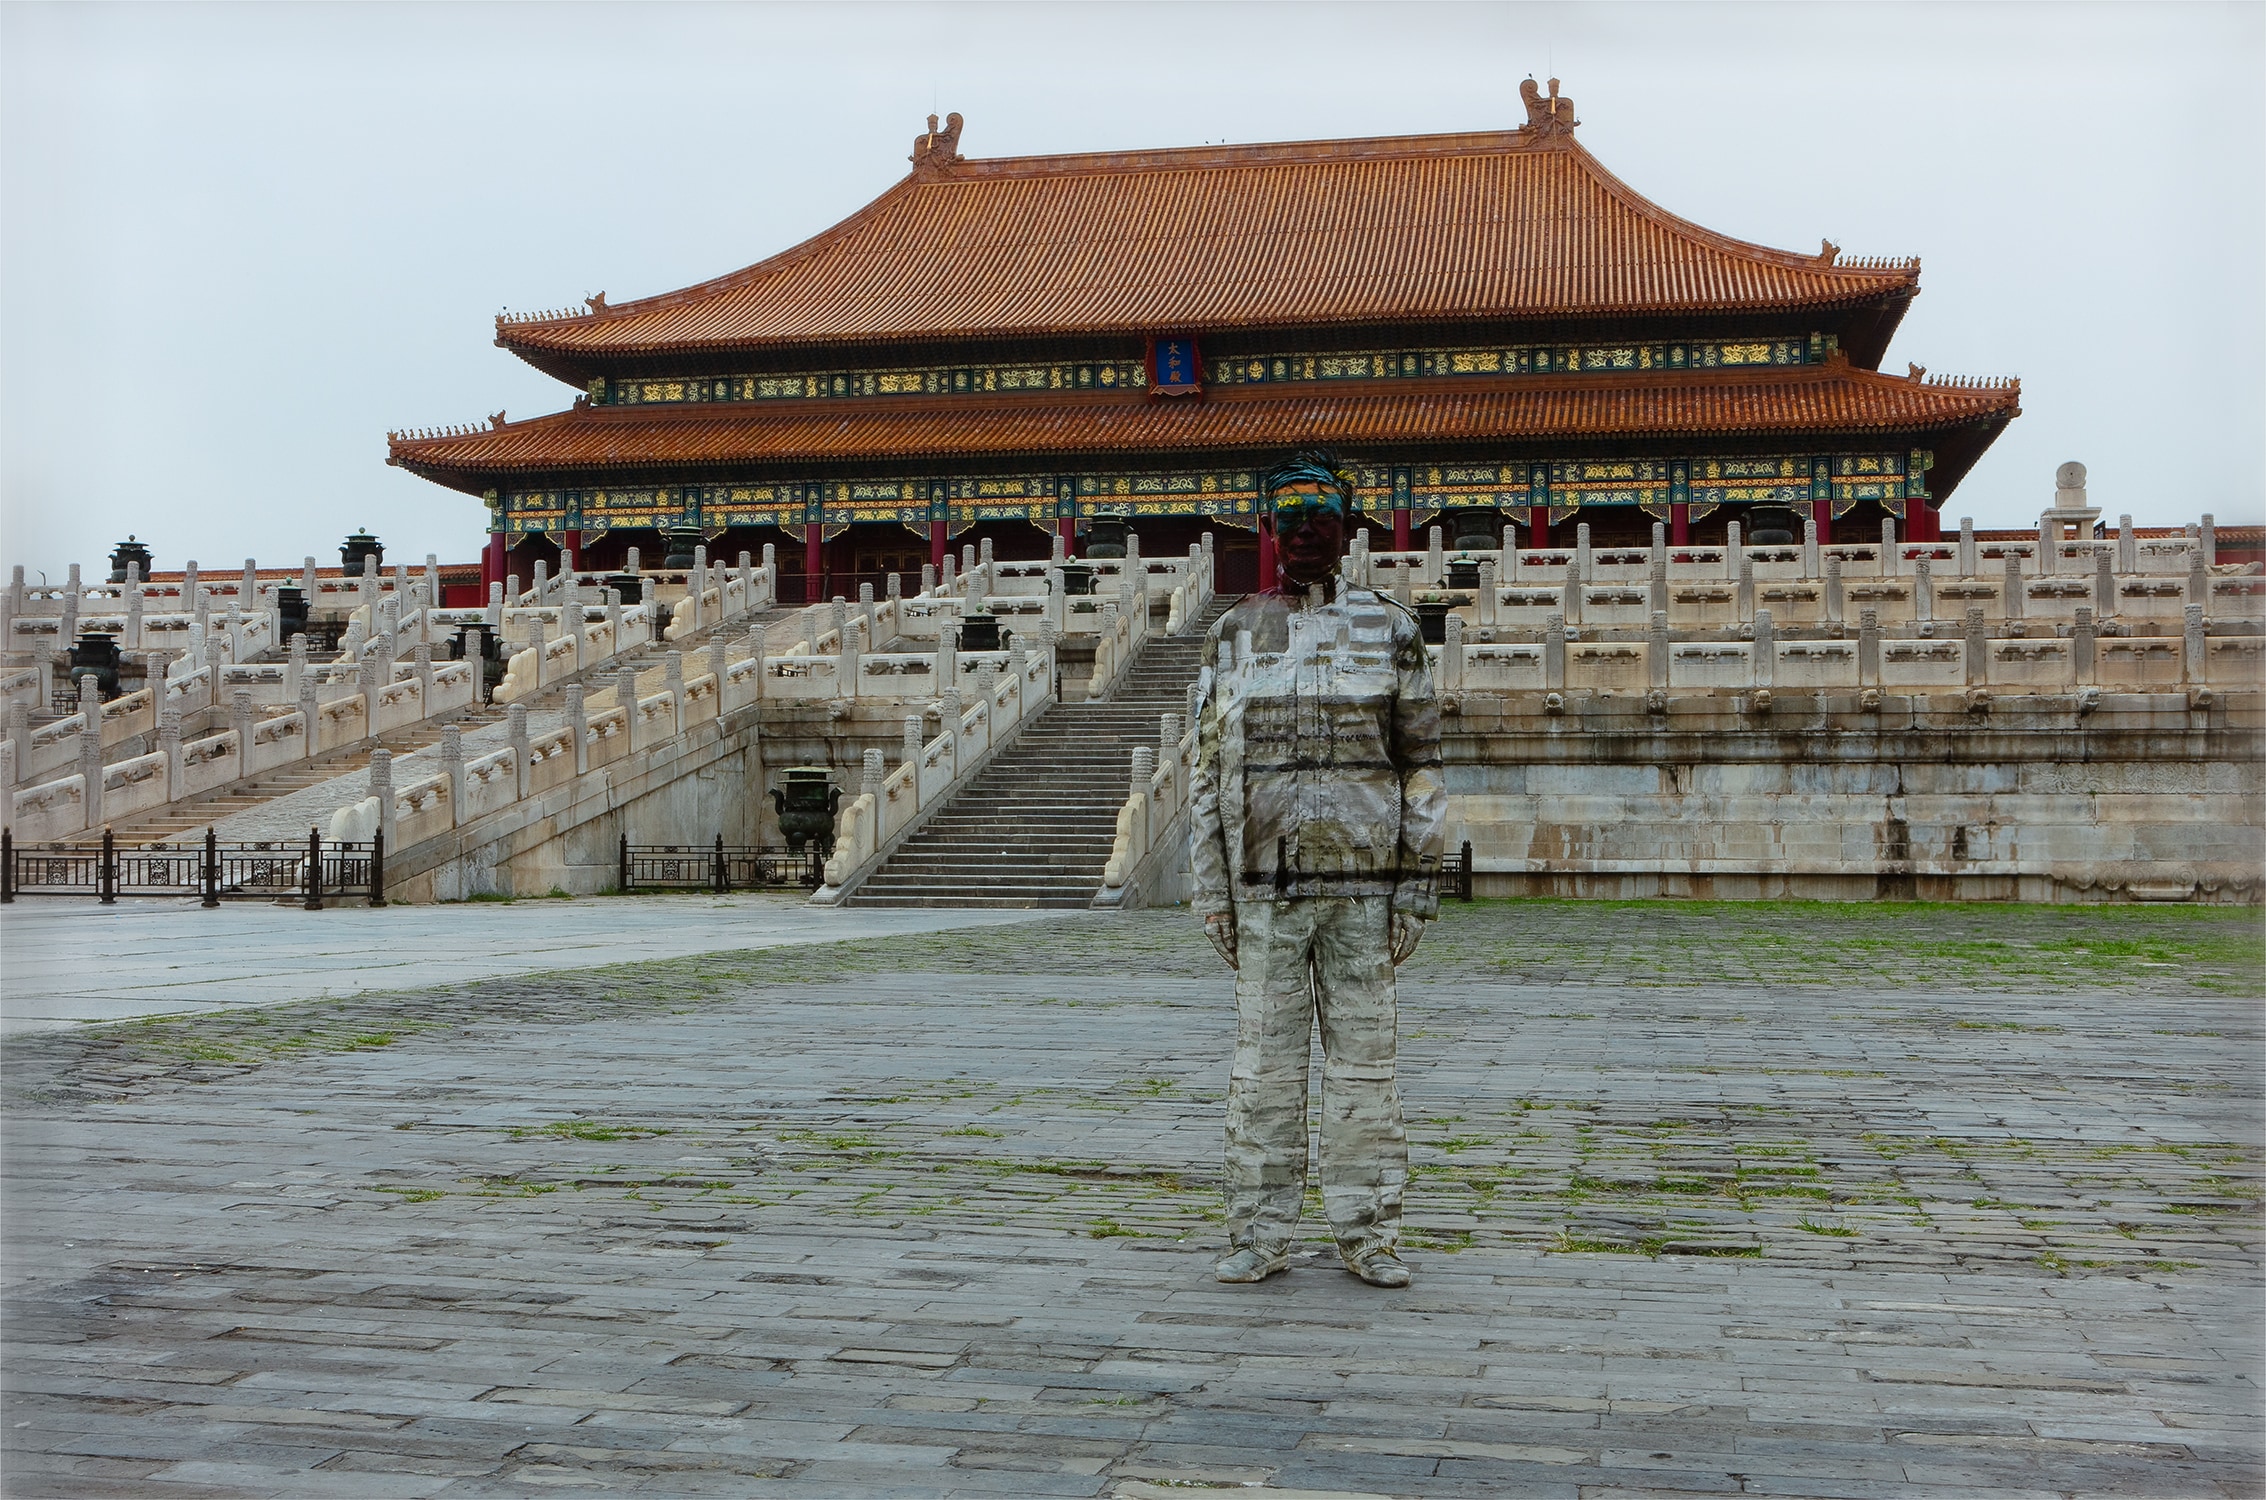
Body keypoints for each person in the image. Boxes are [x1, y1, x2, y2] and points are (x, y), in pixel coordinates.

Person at [1187, 451, 1446, 1289]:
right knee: (1263, 1066)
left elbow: (1421, 763)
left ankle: (1368, 1232)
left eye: (1321, 518)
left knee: (1366, 1066)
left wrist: (1419, 883)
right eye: (1289, 518)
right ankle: (1259, 1233)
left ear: (1349, 527)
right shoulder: (1233, 632)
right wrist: (1211, 890)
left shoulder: (1392, 629)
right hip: (1263, 889)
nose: (1304, 532)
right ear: (1268, 529)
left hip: (1364, 893)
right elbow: (1205, 768)